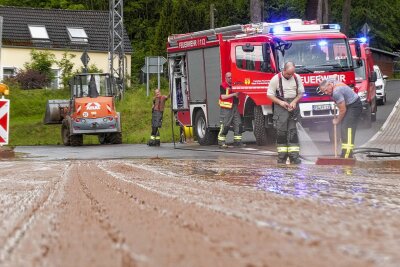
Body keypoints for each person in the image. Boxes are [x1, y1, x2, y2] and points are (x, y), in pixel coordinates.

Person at [267, 61, 304, 164]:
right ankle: (282, 157)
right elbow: (269, 95)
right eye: (288, 74)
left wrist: (294, 102)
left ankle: (294, 157)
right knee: (281, 132)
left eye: (292, 74)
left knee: (293, 132)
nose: (290, 76)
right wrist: (281, 102)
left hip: (293, 106)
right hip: (280, 107)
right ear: (284, 70)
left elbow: (301, 93)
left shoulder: (297, 77)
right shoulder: (276, 79)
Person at [318, 78, 362, 158]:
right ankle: (345, 152)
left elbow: (343, 110)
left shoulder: (336, 92)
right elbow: (334, 76)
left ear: (329, 85)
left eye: (326, 90)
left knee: (347, 129)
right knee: (343, 128)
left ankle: (347, 154)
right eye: (324, 92)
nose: (326, 93)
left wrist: (337, 120)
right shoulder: (331, 81)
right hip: (349, 105)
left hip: (354, 106)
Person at [218, 72, 244, 148]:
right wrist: (233, 94)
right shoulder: (223, 85)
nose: (230, 78)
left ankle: (237, 142)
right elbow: (222, 97)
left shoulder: (234, 85)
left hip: (234, 107)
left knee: (238, 124)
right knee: (225, 126)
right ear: (225, 78)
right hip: (226, 108)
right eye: (229, 77)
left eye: (231, 77)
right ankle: (221, 142)